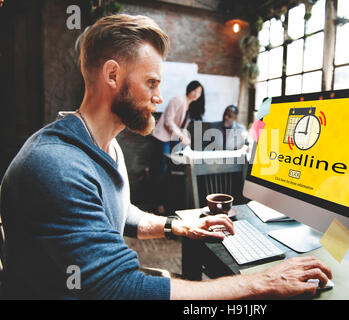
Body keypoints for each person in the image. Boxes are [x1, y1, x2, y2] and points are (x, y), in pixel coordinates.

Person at [0, 14, 332, 300]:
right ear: (112, 76)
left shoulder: (105, 146)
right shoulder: (57, 166)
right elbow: (123, 288)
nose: (159, 97)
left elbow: (120, 213)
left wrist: (180, 227)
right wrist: (262, 282)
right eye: (152, 83)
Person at [150, 80, 204, 214]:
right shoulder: (178, 99)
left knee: (172, 170)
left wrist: (185, 138)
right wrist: (180, 136)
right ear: (189, 89)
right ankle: (158, 203)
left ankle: (169, 201)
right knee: (161, 169)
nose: (197, 94)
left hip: (173, 139)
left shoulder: (191, 106)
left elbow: (182, 127)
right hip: (163, 137)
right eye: (195, 91)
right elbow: (168, 121)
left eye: (199, 92)